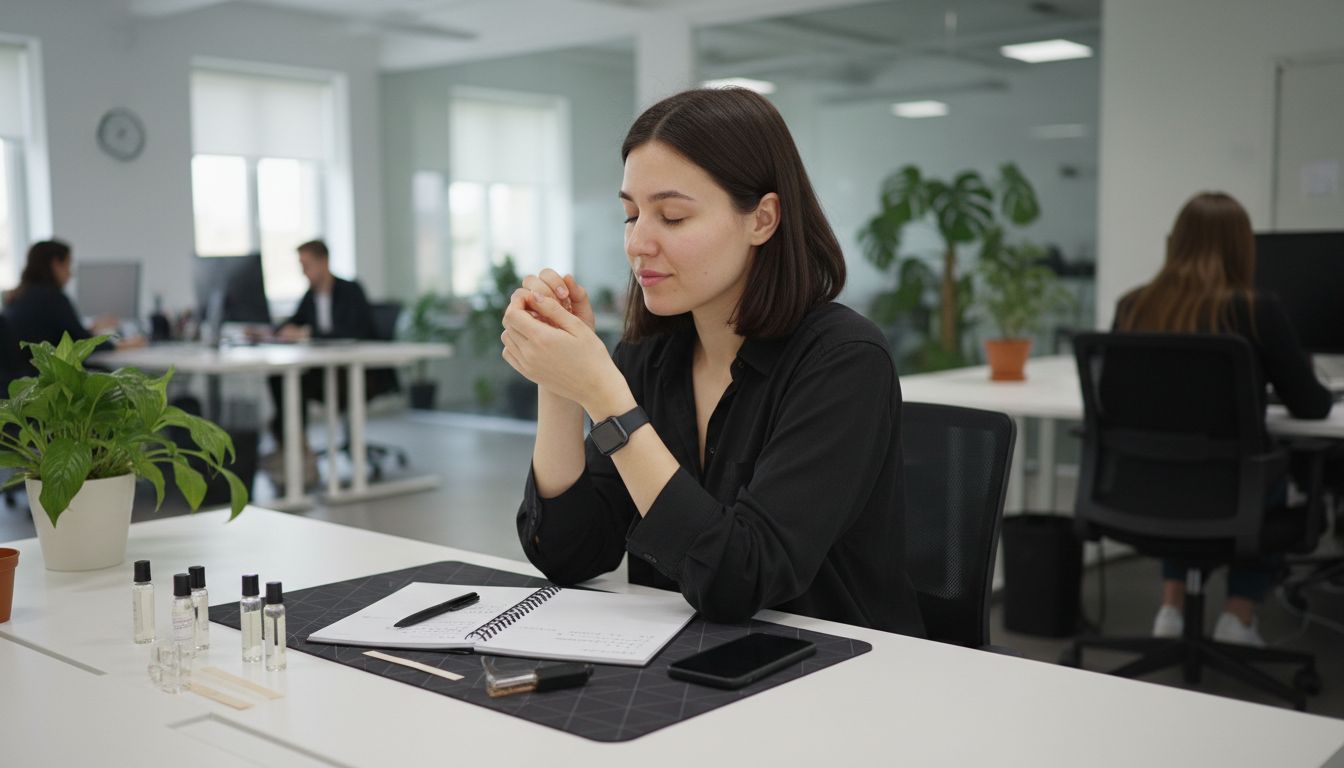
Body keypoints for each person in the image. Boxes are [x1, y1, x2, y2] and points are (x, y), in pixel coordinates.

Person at [503, 88, 924, 636]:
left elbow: (739, 579)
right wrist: (558, 381)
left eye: (672, 217)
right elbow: (569, 552)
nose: (638, 243)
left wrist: (607, 400)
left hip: (833, 671)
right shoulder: (652, 356)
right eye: (631, 215)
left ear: (762, 219)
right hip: (685, 666)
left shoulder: (843, 360)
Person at [1113, 191, 1333, 647]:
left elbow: (1112, 400)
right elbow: (1312, 407)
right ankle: (1239, 615)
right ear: (1242, 247)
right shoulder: (1255, 308)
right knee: (1265, 470)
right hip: (1231, 499)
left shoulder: (1133, 305)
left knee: (1181, 468)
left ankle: (1170, 608)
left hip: (1142, 495)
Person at [263, 240, 391, 480]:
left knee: (295, 380)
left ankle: (299, 454)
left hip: (359, 374)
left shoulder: (351, 290)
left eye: (307, 265)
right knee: (281, 378)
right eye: (301, 266)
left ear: (324, 262)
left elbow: (353, 332)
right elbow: (294, 320)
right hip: (326, 373)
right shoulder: (310, 296)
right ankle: (296, 446)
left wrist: (307, 334)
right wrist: (273, 330)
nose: (304, 272)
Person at [2, 239, 146, 374]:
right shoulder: (53, 297)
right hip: (45, 378)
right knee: (111, 375)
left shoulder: (16, 296)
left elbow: (55, 334)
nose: (70, 273)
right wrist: (126, 344)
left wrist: (93, 328)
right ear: (55, 264)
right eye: (68, 265)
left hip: (24, 381)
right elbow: (80, 343)